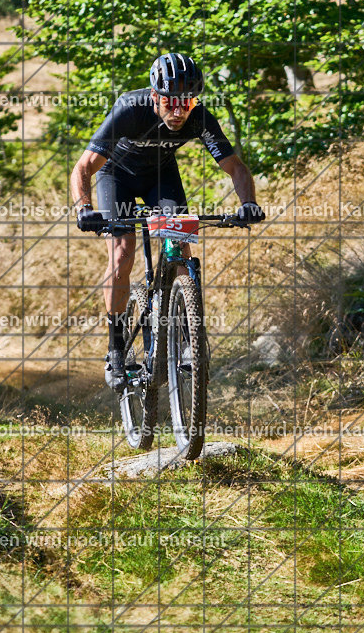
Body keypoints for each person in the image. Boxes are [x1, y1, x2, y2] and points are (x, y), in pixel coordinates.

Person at [70, 53, 265, 389]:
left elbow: (235, 166)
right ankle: (116, 348)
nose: (179, 112)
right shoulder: (130, 109)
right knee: (122, 252)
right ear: (155, 96)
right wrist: (83, 208)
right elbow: (84, 166)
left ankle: (188, 338)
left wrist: (248, 203)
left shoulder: (198, 117)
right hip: (116, 175)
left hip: (161, 176)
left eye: (186, 104)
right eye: (171, 103)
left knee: (180, 247)